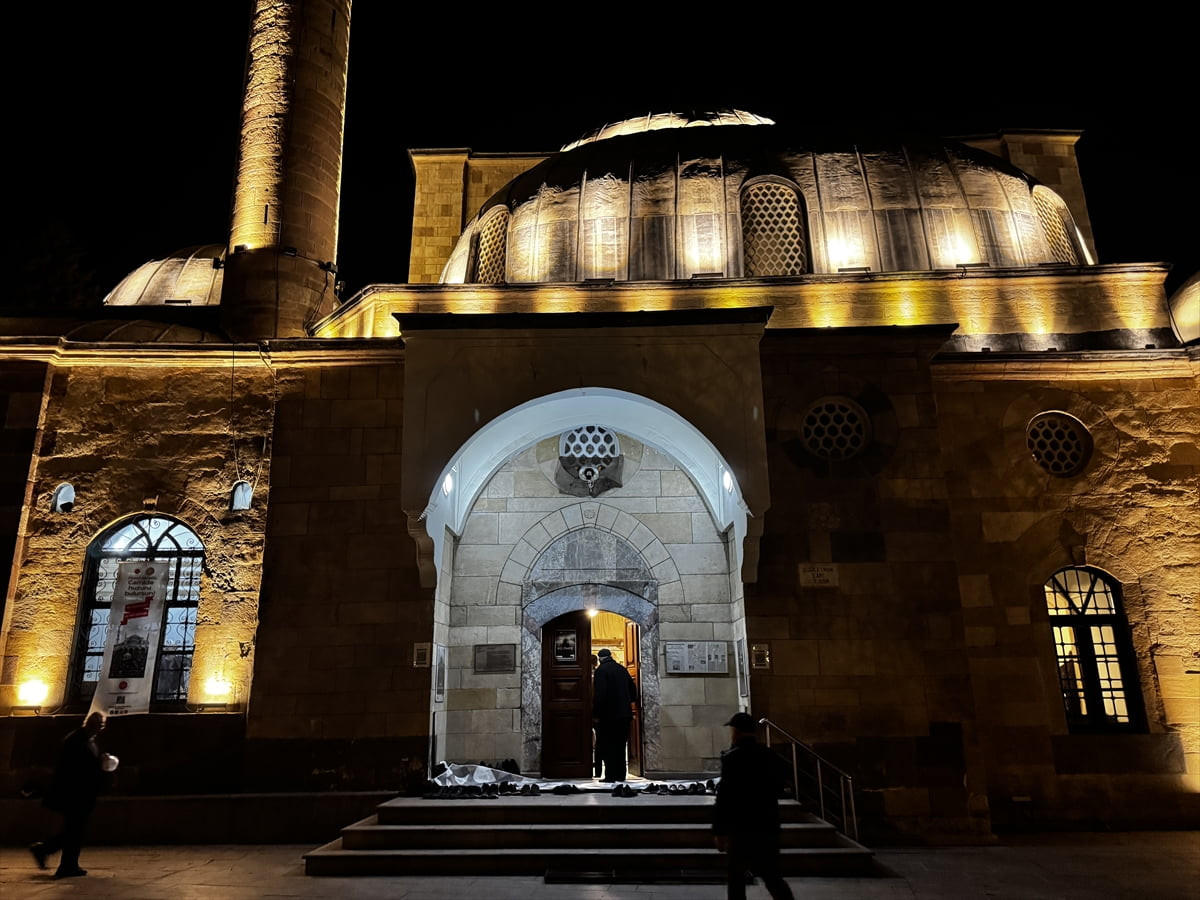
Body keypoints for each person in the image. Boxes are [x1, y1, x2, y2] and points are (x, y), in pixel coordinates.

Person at [713, 712, 794, 900]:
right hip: (766, 825)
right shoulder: (768, 755)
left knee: (736, 879)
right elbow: (780, 784)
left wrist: (719, 830)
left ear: (737, 732)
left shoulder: (732, 758)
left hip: (740, 827)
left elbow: (724, 797)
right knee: (772, 875)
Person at [30, 711, 110, 879]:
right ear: (90, 724)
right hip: (74, 793)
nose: (100, 729)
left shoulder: (84, 740)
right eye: (99, 725)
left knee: (74, 830)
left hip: (80, 793)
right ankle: (52, 854)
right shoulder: (76, 741)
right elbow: (76, 768)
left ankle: (63, 860)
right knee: (74, 830)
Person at [591, 647, 637, 782]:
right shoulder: (622, 669)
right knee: (620, 746)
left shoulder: (601, 671)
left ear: (600, 659)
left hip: (608, 716)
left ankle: (610, 776)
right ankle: (621, 775)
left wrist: (596, 714)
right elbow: (632, 690)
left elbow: (600, 695)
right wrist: (627, 702)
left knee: (608, 746)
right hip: (624, 714)